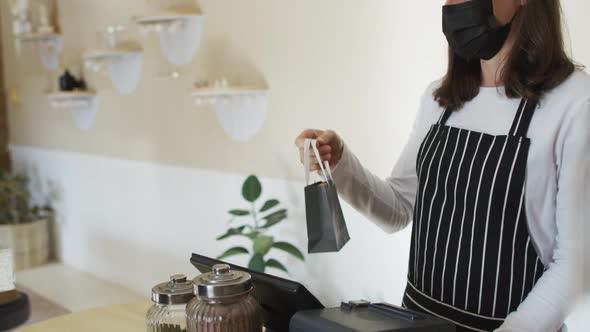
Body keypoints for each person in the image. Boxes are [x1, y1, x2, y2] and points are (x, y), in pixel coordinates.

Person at [295, 0, 589, 331]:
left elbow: (576, 266)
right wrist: (340, 163)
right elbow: (398, 209)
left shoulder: (574, 102)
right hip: (417, 323)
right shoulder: (439, 98)